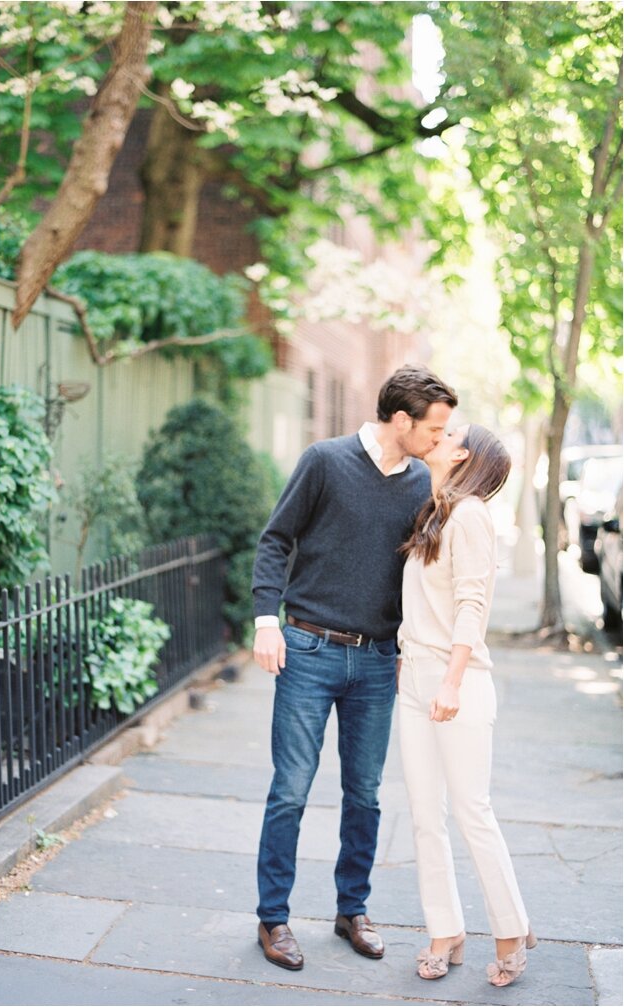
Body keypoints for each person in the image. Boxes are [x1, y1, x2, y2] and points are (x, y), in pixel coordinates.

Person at [250, 364, 458, 971]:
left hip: (376, 662)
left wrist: (409, 650)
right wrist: (267, 620)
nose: (439, 440)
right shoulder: (324, 461)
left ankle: (351, 909)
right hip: (308, 649)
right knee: (290, 790)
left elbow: (426, 571)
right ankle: (273, 919)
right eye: (434, 429)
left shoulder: (422, 479)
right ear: (401, 419)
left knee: (364, 794)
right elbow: (275, 539)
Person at [396, 424, 535, 987]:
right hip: (415, 680)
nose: (440, 433)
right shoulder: (434, 512)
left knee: (472, 811)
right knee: (426, 816)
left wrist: (449, 682)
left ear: (465, 457)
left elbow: (472, 605)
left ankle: (509, 932)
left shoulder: (472, 514)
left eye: (452, 432)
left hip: (459, 682)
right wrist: (412, 668)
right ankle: (444, 930)